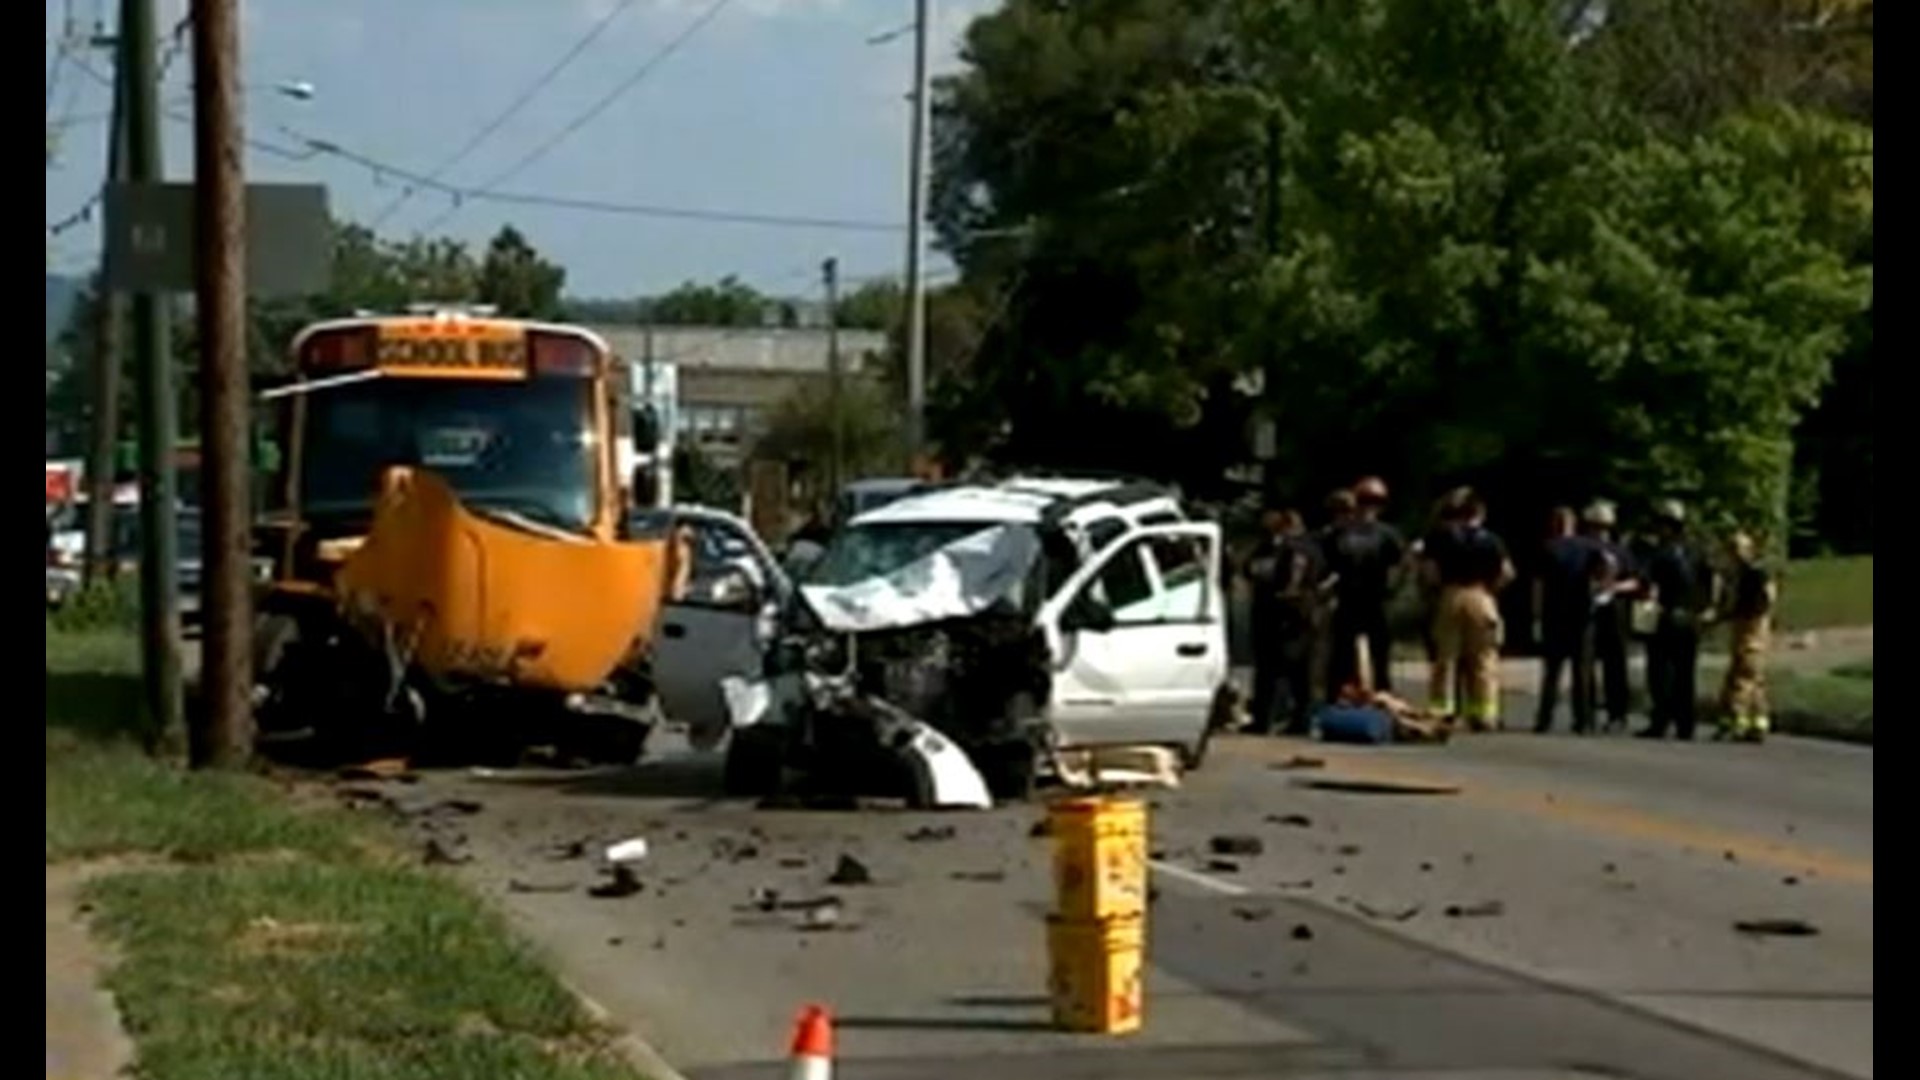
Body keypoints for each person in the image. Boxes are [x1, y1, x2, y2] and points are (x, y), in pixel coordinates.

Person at [1423, 488, 1514, 731]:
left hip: (1451, 594)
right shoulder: (1492, 540)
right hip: (1481, 594)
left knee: (1446, 657)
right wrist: (1490, 590)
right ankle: (1484, 713)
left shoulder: (1440, 536)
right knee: (1484, 658)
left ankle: (1442, 709)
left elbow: (1430, 573)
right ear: (1480, 513)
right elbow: (1506, 573)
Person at [1322, 477, 1406, 699]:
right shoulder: (1337, 534)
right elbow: (1326, 564)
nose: (1369, 507)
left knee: (1381, 655)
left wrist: (1393, 588)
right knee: (1341, 655)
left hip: (1376, 599)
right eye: (1364, 500)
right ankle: (1339, 696)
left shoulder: (1388, 534)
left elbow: (1402, 564)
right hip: (1348, 598)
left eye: (1375, 501)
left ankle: (1382, 696)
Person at [1244, 508, 1324, 735]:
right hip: (1284, 613)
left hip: (1288, 614)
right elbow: (1249, 570)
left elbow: (1293, 581)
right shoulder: (1268, 549)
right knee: (1285, 671)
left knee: (1284, 670)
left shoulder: (1296, 549)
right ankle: (1287, 719)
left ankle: (1280, 720)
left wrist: (1290, 596)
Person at [1639, 499, 1712, 741]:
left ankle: (1661, 721)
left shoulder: (1659, 553)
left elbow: (1647, 585)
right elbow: (1709, 584)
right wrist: (1703, 609)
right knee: (1686, 673)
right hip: (1691, 618)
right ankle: (1685, 723)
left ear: (1667, 526)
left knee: (1660, 672)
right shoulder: (1698, 551)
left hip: (1667, 616)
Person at [1533, 507, 1607, 734]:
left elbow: (1539, 586)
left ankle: (1545, 719)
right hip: (1583, 616)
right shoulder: (1590, 547)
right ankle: (1584, 720)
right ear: (1574, 525)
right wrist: (1599, 593)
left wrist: (1536, 616)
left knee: (1552, 671)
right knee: (1582, 671)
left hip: (1555, 615)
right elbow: (1605, 570)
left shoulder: (1549, 548)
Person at [1578, 500, 1638, 732]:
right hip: (1588, 609)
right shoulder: (1583, 550)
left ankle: (1617, 712)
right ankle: (1588, 712)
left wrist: (1614, 587)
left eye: (1603, 527)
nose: (1599, 531)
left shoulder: (1621, 552)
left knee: (1616, 664)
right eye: (1596, 526)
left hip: (1614, 610)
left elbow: (1636, 581)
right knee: (1587, 664)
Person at [1715, 530, 1777, 743]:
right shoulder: (1739, 574)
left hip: (1752, 629)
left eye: (1737, 549)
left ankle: (1738, 720)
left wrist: (1747, 619)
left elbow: (1765, 601)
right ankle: (1757, 721)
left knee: (1744, 675)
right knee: (1751, 676)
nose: (1734, 554)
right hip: (1744, 629)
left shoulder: (1755, 573)